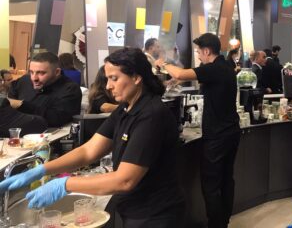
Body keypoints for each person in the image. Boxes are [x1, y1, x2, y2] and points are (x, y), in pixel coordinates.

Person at [0, 48, 184, 226]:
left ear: (136, 78)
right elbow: (89, 151)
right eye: (107, 79)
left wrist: (65, 184)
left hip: (155, 213)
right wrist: (42, 170)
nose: (108, 86)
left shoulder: (151, 115)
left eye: (114, 78)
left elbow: (125, 180)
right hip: (133, 207)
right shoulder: (125, 108)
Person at [156, 33, 240, 228]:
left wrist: (162, 64)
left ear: (207, 51)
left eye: (198, 52)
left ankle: (215, 225)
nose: (198, 56)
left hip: (217, 135)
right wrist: (174, 82)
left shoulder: (214, 68)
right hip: (231, 131)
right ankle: (223, 222)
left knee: (211, 184)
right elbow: (192, 78)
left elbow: (180, 74)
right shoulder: (226, 66)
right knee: (226, 180)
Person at [8, 52, 82, 127]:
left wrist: (21, 105)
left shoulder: (70, 89)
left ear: (57, 72)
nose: (34, 78)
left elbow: (56, 119)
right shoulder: (24, 81)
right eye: (31, 72)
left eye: (41, 73)